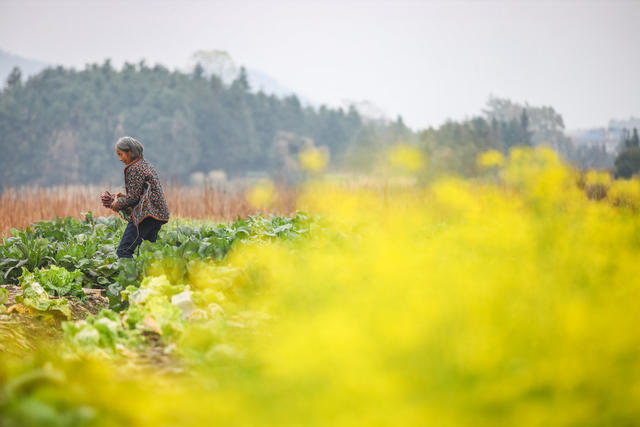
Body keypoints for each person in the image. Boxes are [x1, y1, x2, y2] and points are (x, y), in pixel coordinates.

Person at [102, 136, 170, 258]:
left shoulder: (134, 168)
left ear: (130, 152)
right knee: (146, 254)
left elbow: (133, 198)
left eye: (121, 154)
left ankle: (129, 277)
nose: (120, 159)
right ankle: (145, 276)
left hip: (146, 215)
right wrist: (122, 197)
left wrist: (116, 204)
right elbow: (140, 193)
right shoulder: (144, 164)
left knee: (123, 251)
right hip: (158, 214)